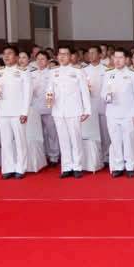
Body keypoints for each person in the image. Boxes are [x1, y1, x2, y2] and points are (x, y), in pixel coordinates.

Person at [48, 46, 91, 179]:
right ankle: (66, 167)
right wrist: (49, 98)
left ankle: (77, 166)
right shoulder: (53, 72)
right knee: (63, 140)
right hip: (58, 110)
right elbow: (49, 89)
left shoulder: (78, 71)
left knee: (75, 139)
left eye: (65, 54)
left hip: (74, 110)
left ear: (71, 56)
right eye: (60, 54)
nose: (62, 57)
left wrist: (87, 109)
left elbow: (84, 91)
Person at [102, 49, 134, 178]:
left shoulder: (132, 74)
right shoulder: (108, 74)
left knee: (128, 140)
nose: (117, 60)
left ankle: (130, 166)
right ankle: (118, 165)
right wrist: (107, 96)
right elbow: (102, 93)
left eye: (120, 58)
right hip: (112, 112)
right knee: (115, 140)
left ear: (126, 59)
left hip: (128, 113)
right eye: (115, 57)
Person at [0, 46, 31, 179]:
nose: (6, 56)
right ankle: (8, 168)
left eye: (10, 53)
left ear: (16, 57)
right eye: (4, 54)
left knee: (20, 141)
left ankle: (20, 168)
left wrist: (25, 112)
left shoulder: (23, 72)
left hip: (18, 112)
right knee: (6, 142)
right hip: (3, 110)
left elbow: (28, 93)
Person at [31, 51, 59, 166]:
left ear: (48, 61)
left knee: (52, 133)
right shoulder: (32, 73)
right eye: (38, 59)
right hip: (36, 107)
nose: (40, 61)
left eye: (42, 59)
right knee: (39, 133)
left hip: (49, 107)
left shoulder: (53, 73)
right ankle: (42, 156)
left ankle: (54, 156)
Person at [83, 46, 110, 162]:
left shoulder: (106, 70)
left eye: (93, 53)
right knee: (92, 132)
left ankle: (107, 156)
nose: (91, 55)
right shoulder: (83, 70)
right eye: (89, 53)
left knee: (105, 132)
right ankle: (95, 157)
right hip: (90, 105)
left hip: (103, 105)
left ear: (100, 55)